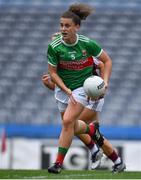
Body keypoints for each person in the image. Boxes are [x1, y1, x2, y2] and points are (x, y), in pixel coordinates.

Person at [46, 3, 125, 173]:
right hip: (69, 90)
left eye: (66, 26)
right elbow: (56, 74)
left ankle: (61, 162)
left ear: (76, 27)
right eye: (61, 26)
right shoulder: (57, 48)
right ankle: (112, 157)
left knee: (69, 123)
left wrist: (102, 85)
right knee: (72, 126)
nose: (62, 31)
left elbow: (104, 63)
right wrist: (51, 85)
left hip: (90, 91)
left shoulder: (86, 47)